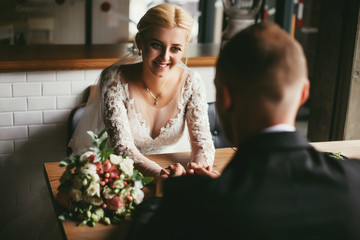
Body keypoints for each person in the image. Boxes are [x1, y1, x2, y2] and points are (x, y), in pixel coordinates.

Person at [125, 22, 360, 239]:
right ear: (303, 94)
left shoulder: (191, 203)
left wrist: (162, 197)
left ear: (224, 98)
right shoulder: (354, 180)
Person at [68, 3, 215, 177]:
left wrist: (196, 171)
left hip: (173, 168)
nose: (165, 57)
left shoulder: (192, 81)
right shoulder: (114, 80)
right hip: (122, 172)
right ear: (140, 42)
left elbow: (202, 142)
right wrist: (162, 177)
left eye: (175, 48)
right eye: (156, 45)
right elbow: (122, 148)